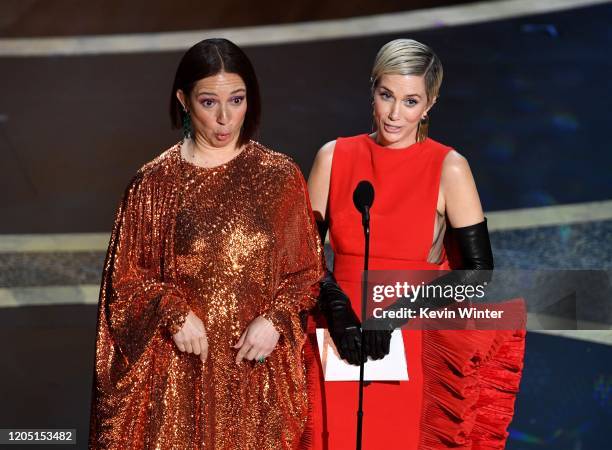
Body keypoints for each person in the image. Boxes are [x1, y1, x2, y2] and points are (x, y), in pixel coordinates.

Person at [89, 38, 324, 449]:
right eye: (209, 102)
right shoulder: (153, 184)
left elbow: (306, 272)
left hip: (256, 378)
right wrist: (172, 312)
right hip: (179, 380)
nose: (224, 119)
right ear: (183, 100)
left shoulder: (280, 177)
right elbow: (123, 287)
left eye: (236, 100)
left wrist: (276, 319)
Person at [307, 39, 526, 449]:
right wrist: (334, 306)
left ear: (430, 103)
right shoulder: (334, 156)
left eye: (410, 101)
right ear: (372, 89)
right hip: (337, 338)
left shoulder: (450, 167)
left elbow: (477, 273)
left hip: (409, 338)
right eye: (386, 95)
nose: (394, 113)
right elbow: (303, 257)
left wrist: (395, 316)